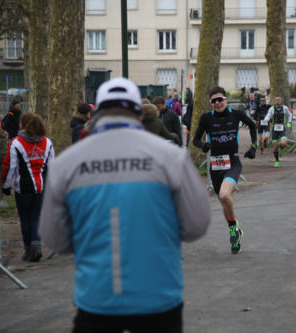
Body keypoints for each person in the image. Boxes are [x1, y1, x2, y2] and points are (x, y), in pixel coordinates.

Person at [39, 77, 210, 332]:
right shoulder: (170, 157)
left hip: (96, 299)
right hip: (158, 297)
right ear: (138, 114)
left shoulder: (67, 163)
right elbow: (196, 225)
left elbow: (55, 238)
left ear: (96, 114)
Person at [193, 86, 256, 254]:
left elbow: (252, 125)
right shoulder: (206, 118)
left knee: (224, 195)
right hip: (215, 165)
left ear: (226, 100)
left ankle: (234, 226)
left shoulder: (236, 114)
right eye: (214, 101)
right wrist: (203, 145)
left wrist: (254, 146)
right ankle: (234, 231)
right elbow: (195, 140)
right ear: (210, 103)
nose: (217, 103)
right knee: (223, 201)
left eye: (220, 99)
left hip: (233, 163)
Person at [2, 113, 54, 262]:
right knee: (36, 216)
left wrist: (5, 185)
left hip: (22, 187)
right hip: (41, 186)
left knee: (25, 218)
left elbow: (9, 166)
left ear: (22, 125)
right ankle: (36, 246)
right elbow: (52, 165)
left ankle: (28, 250)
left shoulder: (16, 143)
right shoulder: (47, 142)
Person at [263, 96, 293, 168]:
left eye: (279, 100)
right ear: (274, 101)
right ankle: (277, 161)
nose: (277, 101)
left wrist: (288, 122)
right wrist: (267, 119)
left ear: (281, 100)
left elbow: (290, 115)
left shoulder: (285, 108)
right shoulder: (271, 109)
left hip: (282, 128)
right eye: (276, 100)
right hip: (274, 129)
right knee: (275, 147)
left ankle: (282, 148)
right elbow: (267, 117)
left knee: (283, 143)